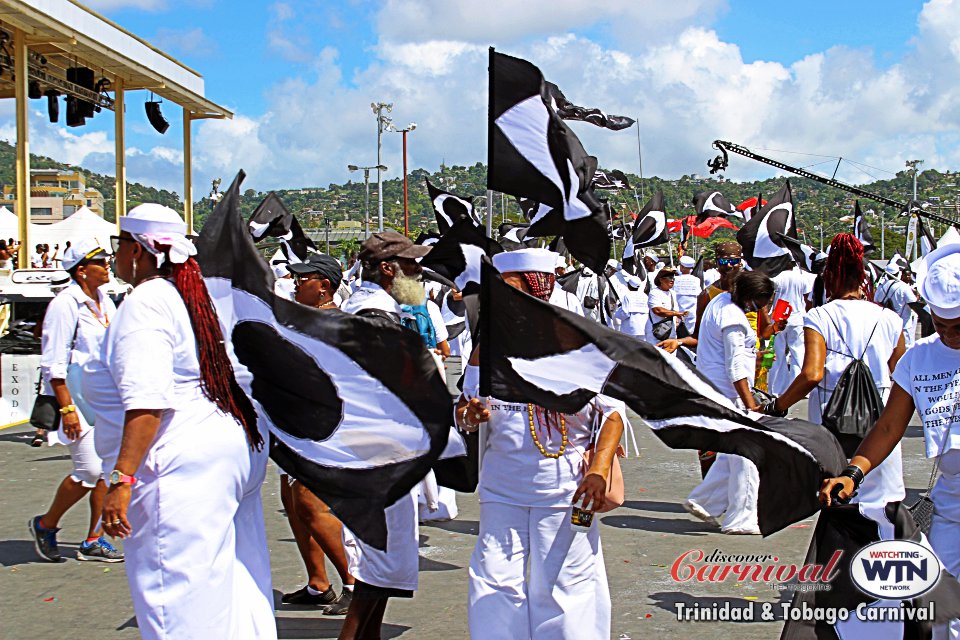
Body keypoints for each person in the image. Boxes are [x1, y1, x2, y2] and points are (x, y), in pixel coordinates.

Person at [83, 204, 276, 639]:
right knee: (235, 589)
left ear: (139, 251)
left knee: (176, 602)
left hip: (177, 464)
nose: (116, 257)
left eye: (120, 245)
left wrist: (122, 479)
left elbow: (148, 403)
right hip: (226, 450)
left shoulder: (147, 301)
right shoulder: (193, 295)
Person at [458, 247, 627, 639]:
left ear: (538, 287)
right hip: (502, 487)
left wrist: (599, 470)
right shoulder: (489, 348)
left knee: (567, 585)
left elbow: (612, 413)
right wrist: (468, 416)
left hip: (568, 489)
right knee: (494, 581)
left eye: (510, 290)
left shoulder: (580, 345)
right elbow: (464, 407)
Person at [820, 242, 960, 639]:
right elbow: (887, 427)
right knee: (938, 602)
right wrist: (853, 472)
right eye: (941, 324)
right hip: (951, 503)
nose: (949, 335)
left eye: (959, 327)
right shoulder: (918, 358)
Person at [338, 230, 432, 640]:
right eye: (411, 265)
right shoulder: (373, 315)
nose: (419, 272)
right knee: (382, 555)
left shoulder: (381, 309)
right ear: (387, 269)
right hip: (376, 448)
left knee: (387, 556)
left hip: (379, 444)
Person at [767, 234, 906, 507]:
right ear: (863, 277)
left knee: (838, 496)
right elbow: (899, 372)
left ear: (829, 277)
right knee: (881, 501)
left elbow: (811, 374)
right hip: (880, 418)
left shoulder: (819, 316)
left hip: (832, 417)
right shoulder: (890, 318)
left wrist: (777, 407)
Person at [28, 240, 123, 563]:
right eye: (100, 261)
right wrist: (67, 408)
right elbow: (53, 361)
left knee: (106, 468)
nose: (107, 265)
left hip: (104, 396)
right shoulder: (66, 304)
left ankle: (94, 538)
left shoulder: (105, 301)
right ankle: (46, 523)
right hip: (76, 396)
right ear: (81, 270)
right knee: (90, 469)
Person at [278, 253, 356, 614]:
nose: (296, 282)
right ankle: (318, 582)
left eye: (303, 278)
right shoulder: (301, 320)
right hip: (293, 424)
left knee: (310, 503)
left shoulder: (337, 324)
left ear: (324, 285)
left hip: (324, 428)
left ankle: (354, 582)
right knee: (293, 503)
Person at [675, 271, 775, 535]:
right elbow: (735, 367)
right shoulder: (733, 319)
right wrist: (750, 403)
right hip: (730, 394)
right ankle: (741, 519)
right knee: (748, 456)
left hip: (715, 389)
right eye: (758, 303)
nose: (759, 308)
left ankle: (706, 501)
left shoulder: (718, 303)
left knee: (733, 452)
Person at [767, 265, 816, 396]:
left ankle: (777, 389)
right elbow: (807, 299)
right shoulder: (801, 277)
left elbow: (770, 298)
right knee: (798, 353)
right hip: (798, 318)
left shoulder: (777, 277)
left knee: (778, 355)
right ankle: (799, 388)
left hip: (778, 317)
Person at [875, 261, 919, 349]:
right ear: (898, 273)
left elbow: (876, 302)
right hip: (903, 327)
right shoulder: (903, 287)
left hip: (886, 326)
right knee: (906, 351)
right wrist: (917, 295)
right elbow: (913, 303)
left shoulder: (880, 287)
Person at [646, 268, 686, 345]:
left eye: (673, 278)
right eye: (669, 278)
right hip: (656, 333)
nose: (672, 280)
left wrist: (678, 319)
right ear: (661, 280)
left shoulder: (673, 293)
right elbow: (658, 310)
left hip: (671, 332)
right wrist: (676, 313)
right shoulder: (654, 293)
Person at [673, 255, 703, 336]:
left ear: (682, 267)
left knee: (676, 336)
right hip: (691, 313)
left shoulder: (675, 279)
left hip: (677, 313)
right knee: (689, 335)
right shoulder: (696, 280)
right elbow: (699, 295)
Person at [613, 274, 649, 339]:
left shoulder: (628, 296)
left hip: (630, 329)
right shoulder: (645, 296)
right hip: (643, 328)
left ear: (629, 285)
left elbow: (625, 313)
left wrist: (617, 313)